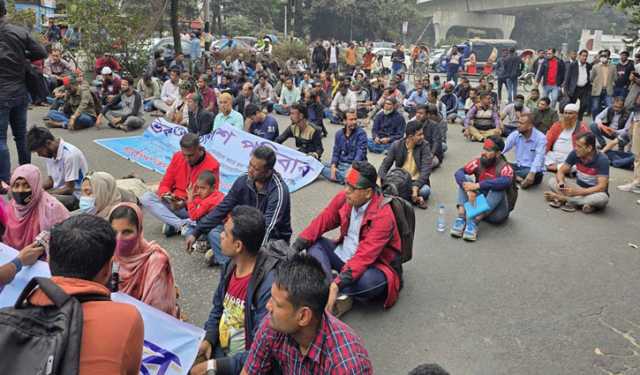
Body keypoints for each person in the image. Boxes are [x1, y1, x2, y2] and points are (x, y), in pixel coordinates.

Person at [28, 214, 144, 374]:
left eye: (127, 232)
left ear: (49, 261)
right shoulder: (128, 317)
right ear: (108, 269)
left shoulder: (17, 311)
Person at [291, 161, 402, 317]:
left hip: (372, 266)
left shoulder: (383, 216)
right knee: (314, 243)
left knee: (369, 284)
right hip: (344, 256)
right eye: (347, 185)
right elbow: (322, 221)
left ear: (368, 193)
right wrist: (295, 247)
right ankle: (331, 291)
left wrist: (337, 284)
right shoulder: (346, 198)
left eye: (352, 188)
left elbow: (364, 257)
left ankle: (326, 286)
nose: (346, 191)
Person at [240, 253, 373, 374]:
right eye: (271, 298)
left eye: (277, 304)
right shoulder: (273, 325)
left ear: (303, 316)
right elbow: (250, 370)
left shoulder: (346, 366)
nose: (268, 306)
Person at [191, 207, 278, 375]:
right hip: (221, 350)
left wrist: (214, 366)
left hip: (244, 364)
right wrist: (209, 338)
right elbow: (218, 307)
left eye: (225, 233)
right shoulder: (231, 265)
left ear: (238, 246)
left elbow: (262, 350)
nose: (220, 235)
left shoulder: (268, 286)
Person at [185, 146, 292, 267]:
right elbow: (222, 208)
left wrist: (252, 256)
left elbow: (268, 229)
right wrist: (196, 232)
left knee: (266, 258)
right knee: (215, 233)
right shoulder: (243, 180)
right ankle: (231, 265)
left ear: (268, 171)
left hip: (272, 239)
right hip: (246, 231)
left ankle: (233, 263)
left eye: (256, 168)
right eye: (250, 165)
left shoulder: (279, 191)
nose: (250, 170)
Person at [140, 133, 220, 236]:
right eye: (184, 155)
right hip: (174, 203)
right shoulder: (177, 156)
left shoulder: (212, 165)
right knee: (146, 198)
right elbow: (165, 183)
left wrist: (184, 203)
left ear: (199, 149)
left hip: (195, 209)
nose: (187, 159)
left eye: (190, 155)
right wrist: (167, 195)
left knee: (208, 217)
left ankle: (174, 223)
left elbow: (211, 197)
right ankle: (181, 225)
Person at [108, 203, 178, 316]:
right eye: (114, 232)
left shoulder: (156, 261)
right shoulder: (108, 257)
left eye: (127, 232)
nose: (119, 238)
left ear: (140, 231)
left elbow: (157, 312)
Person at [450, 136, 514, 242]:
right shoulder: (478, 162)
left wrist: (478, 185)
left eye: (488, 150)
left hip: (496, 213)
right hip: (479, 205)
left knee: (498, 187)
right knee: (465, 181)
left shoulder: (505, 167)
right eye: (484, 149)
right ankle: (461, 218)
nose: (483, 153)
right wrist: (469, 189)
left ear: (498, 154)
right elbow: (459, 172)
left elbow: (506, 181)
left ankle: (474, 222)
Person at [2, 164, 69, 250]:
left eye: (26, 186)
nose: (20, 190)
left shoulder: (52, 208)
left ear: (35, 186)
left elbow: (65, 239)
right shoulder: (11, 207)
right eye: (16, 185)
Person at [545, 132, 610, 213]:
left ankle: (563, 199)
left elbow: (601, 187)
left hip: (593, 193)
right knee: (552, 181)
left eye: (579, 146)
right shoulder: (575, 153)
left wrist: (579, 192)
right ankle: (583, 204)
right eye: (576, 145)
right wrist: (561, 182)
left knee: (603, 198)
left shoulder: (602, 160)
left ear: (589, 148)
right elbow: (561, 171)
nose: (575, 148)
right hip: (577, 189)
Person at [27, 126, 88, 210]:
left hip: (76, 196)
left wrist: (44, 194)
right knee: (28, 197)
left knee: (41, 202)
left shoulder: (70, 155)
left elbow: (69, 189)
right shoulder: (50, 153)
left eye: (39, 151)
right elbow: (51, 181)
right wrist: (35, 190)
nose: (39, 155)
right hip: (60, 193)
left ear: (48, 143)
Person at [379, 121, 433, 209]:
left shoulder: (425, 146)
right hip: (401, 180)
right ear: (411, 137)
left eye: (422, 134)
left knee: (425, 191)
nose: (422, 137)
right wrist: (379, 178)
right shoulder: (397, 145)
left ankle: (399, 198)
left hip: (416, 181)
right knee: (385, 185)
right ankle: (413, 199)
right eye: (419, 135)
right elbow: (386, 164)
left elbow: (426, 171)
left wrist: (416, 187)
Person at [322, 109, 368, 184]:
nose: (354, 122)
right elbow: (336, 152)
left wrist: (351, 168)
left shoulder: (361, 133)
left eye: (355, 119)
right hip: (341, 163)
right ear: (344, 121)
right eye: (351, 119)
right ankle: (342, 176)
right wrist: (333, 166)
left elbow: (360, 153)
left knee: (356, 176)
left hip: (355, 166)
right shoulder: (339, 134)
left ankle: (342, 177)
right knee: (319, 165)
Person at [502, 113, 546, 188]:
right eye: (518, 122)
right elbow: (503, 148)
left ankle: (509, 176)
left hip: (531, 169)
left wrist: (532, 173)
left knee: (535, 173)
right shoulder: (515, 134)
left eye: (521, 123)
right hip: (518, 166)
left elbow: (539, 158)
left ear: (530, 126)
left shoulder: (541, 138)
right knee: (499, 162)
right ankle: (517, 179)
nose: (518, 125)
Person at [544, 103, 589, 172]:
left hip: (571, 158)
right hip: (554, 156)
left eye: (570, 113)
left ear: (576, 115)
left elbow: (585, 148)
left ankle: (558, 167)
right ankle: (560, 168)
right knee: (539, 154)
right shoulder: (557, 125)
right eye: (565, 113)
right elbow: (547, 140)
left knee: (580, 165)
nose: (567, 116)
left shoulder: (582, 128)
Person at [563, 49, 592, 120]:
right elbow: (567, 78)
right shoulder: (573, 65)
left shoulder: (588, 66)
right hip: (574, 88)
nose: (585, 57)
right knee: (571, 105)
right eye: (583, 56)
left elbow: (590, 76)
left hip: (584, 89)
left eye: (586, 56)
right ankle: (570, 119)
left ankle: (579, 118)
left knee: (584, 104)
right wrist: (566, 90)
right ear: (579, 56)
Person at [590, 51, 616, 119]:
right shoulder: (595, 67)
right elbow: (591, 78)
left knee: (610, 106)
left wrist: (612, 83)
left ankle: (609, 121)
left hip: (608, 90)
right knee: (595, 107)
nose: (603, 57)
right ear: (599, 57)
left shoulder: (613, 67)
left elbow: (615, 78)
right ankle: (595, 121)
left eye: (605, 56)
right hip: (597, 90)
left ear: (608, 57)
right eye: (602, 56)